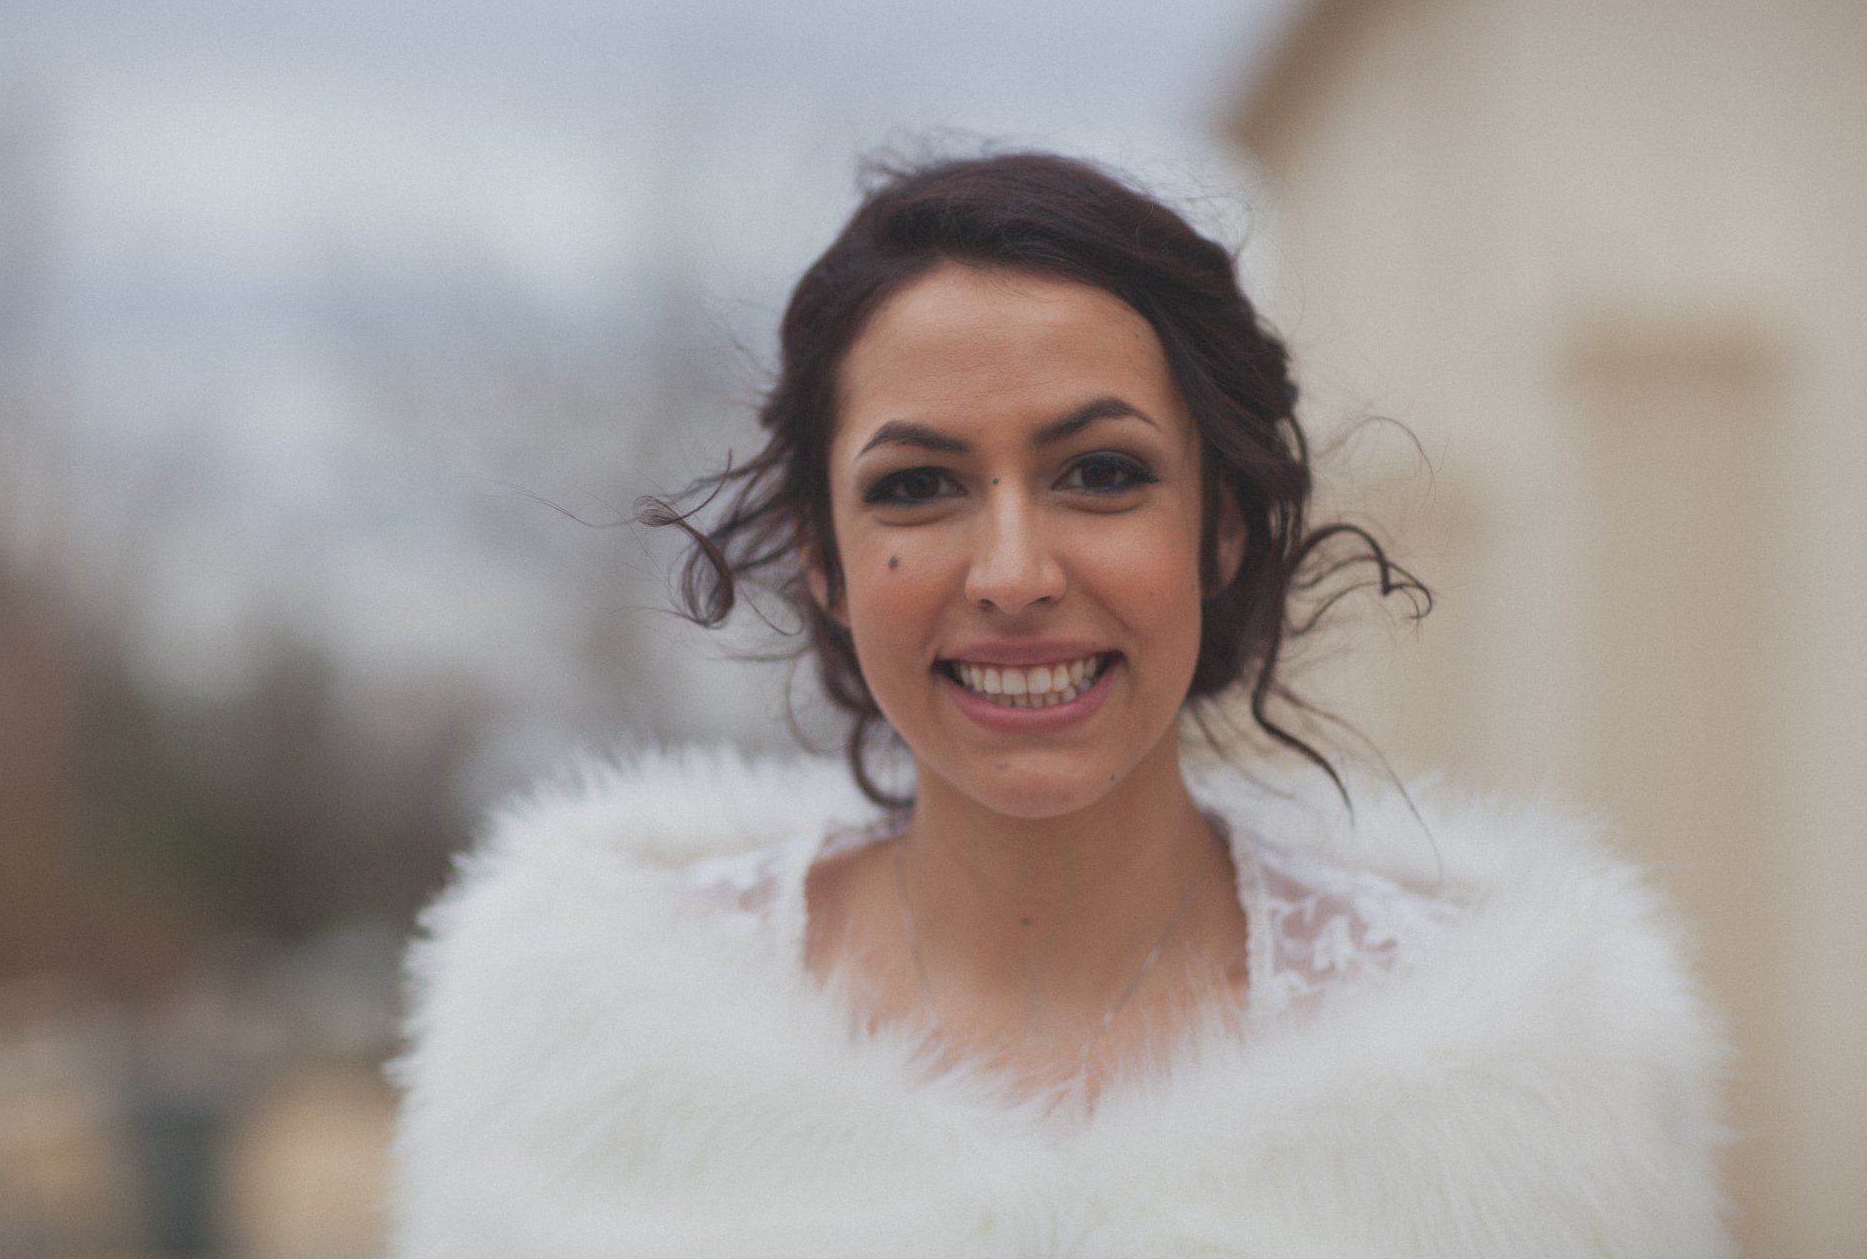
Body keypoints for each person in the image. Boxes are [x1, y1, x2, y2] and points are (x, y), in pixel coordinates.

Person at [387, 151, 1735, 1256]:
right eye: (918, 486)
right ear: (824, 559)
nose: (1015, 574)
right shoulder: (578, 1040)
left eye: (1100, 473)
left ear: (1219, 526)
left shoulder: (1529, 1071)